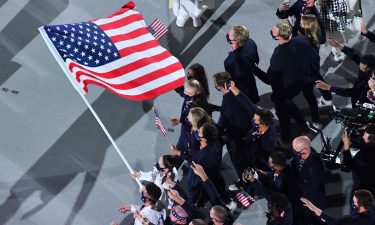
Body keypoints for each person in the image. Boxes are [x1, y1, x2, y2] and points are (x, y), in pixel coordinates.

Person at [253, 20, 312, 144]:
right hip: (297, 83)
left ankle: (285, 139)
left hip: (283, 89)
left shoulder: (278, 55)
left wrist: (254, 69)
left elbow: (269, 80)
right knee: (289, 103)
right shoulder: (301, 41)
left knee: (283, 114)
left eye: (273, 34)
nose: (272, 35)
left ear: (280, 37)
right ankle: (302, 124)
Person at [213, 72, 256, 177]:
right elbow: (251, 109)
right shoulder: (238, 93)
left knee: (240, 164)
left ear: (219, 86)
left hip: (237, 139)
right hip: (250, 132)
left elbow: (222, 125)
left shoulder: (227, 104)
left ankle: (245, 182)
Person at [316, 38, 375, 107]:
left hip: (365, 100)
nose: (360, 68)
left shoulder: (369, 81)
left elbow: (351, 92)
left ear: (368, 68)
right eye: (360, 65)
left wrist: (329, 88)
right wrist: (338, 45)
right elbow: (354, 55)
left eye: (362, 68)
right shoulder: (366, 64)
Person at [300, 14, 333, 111]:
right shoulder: (315, 33)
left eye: (302, 22)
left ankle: (326, 99)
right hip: (313, 63)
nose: (299, 22)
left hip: (307, 65)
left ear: (306, 25)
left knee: (313, 82)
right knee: (317, 78)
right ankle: (327, 97)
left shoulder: (306, 40)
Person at [291, 136, 325, 225]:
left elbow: (311, 189)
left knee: (312, 220)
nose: (295, 154)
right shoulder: (302, 153)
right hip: (303, 196)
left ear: (305, 150)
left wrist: (295, 181)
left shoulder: (314, 168)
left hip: (311, 201)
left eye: (296, 152)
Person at [224, 25, 260, 103]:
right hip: (250, 81)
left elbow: (232, 79)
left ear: (235, 41)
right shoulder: (251, 43)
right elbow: (256, 60)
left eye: (230, 34)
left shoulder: (229, 62)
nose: (228, 33)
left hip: (241, 88)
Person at [301, 189, 375, 225]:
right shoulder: (369, 208)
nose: (353, 205)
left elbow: (337, 223)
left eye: (355, 203)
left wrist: (314, 208)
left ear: (361, 204)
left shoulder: (360, 221)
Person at [341, 126, 375, 194]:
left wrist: (346, 145)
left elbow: (349, 166)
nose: (362, 137)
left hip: (365, 189)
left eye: (364, 136)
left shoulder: (364, 155)